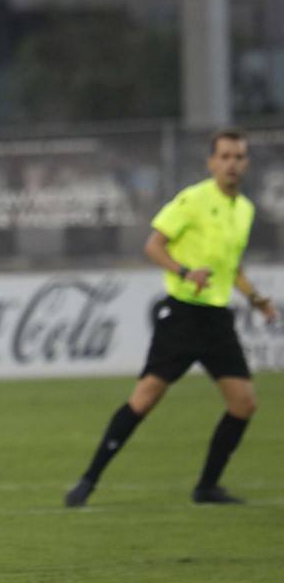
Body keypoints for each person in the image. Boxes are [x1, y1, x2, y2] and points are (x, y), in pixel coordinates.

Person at [65, 129, 277, 508]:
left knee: (244, 403)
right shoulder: (193, 200)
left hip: (216, 319)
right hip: (181, 315)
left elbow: (233, 268)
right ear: (212, 162)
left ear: (245, 163)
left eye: (238, 157)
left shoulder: (244, 209)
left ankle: (207, 487)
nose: (232, 163)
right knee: (144, 399)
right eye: (225, 156)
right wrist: (184, 272)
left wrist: (257, 299)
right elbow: (153, 245)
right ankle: (88, 480)